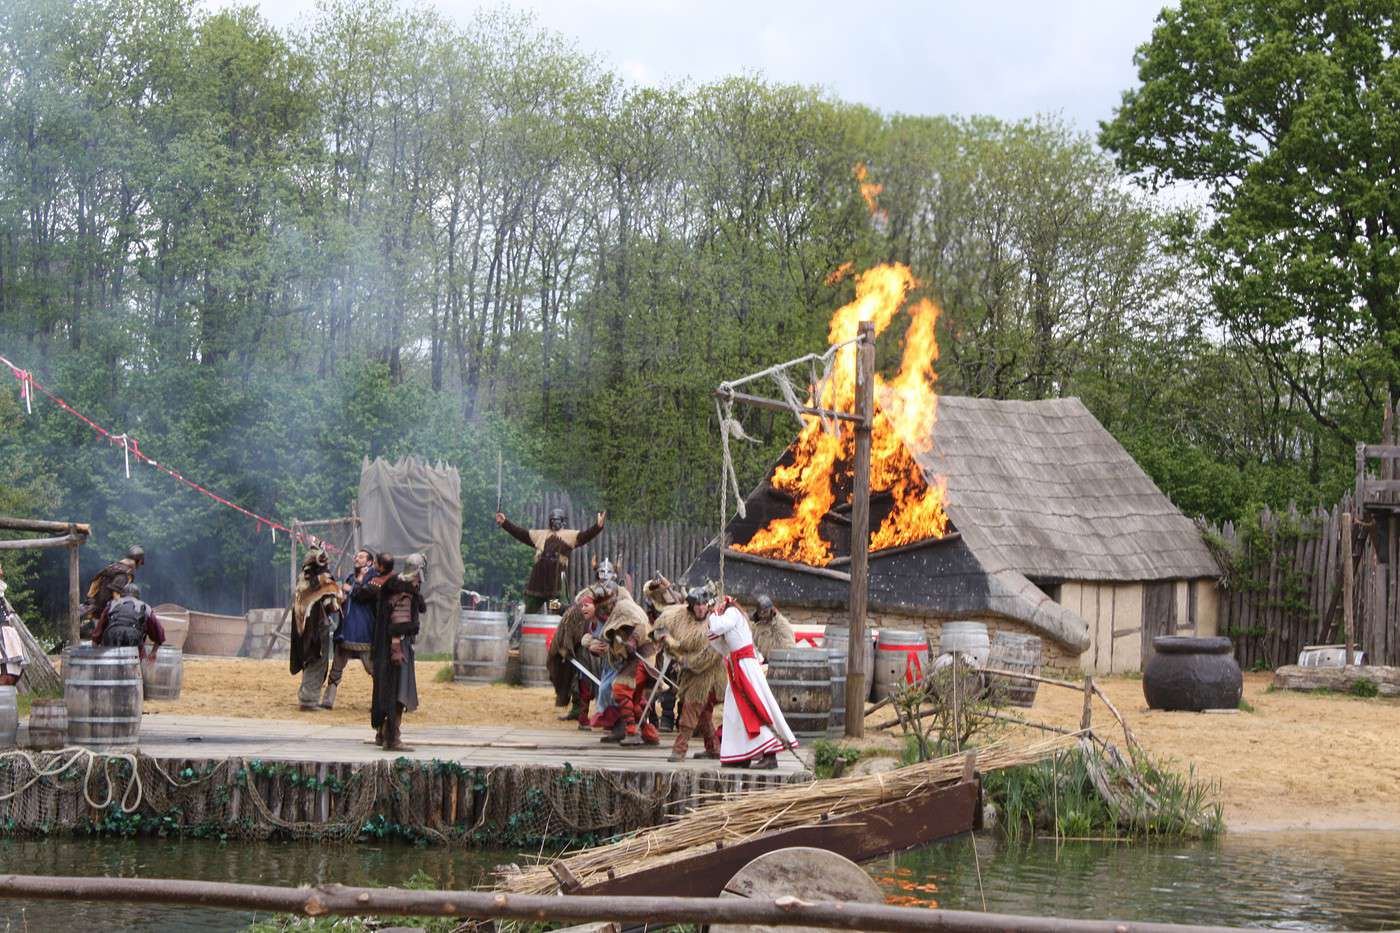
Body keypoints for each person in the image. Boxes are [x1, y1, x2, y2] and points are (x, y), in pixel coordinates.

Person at [686, 587, 797, 770]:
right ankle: (740, 754)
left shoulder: (732, 613)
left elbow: (718, 626)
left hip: (745, 668)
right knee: (734, 714)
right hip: (738, 667)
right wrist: (713, 620)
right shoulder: (729, 617)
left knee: (754, 708)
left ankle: (770, 754)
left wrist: (713, 614)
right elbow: (720, 643)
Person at [581, 581, 660, 747]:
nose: (604, 610)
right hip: (627, 660)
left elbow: (640, 625)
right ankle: (648, 733)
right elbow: (607, 641)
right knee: (634, 700)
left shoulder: (625, 607)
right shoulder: (605, 617)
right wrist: (593, 646)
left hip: (642, 656)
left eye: (605, 606)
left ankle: (631, 731)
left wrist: (633, 640)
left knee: (620, 688)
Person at [364, 552, 425, 751]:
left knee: (387, 691)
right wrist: (397, 650)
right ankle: (393, 737)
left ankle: (382, 733)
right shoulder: (404, 592)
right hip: (396, 648)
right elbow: (398, 624)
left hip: (384, 646)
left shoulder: (395, 586)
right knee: (398, 693)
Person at [652, 599, 724, 762]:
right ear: (691, 606)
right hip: (690, 673)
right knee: (703, 713)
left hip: (709, 673)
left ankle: (680, 749)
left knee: (690, 709)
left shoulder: (716, 622)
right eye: (697, 604)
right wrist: (663, 636)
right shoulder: (681, 616)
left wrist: (685, 660)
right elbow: (661, 624)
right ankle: (713, 748)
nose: (700, 608)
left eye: (703, 604)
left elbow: (709, 656)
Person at [495, 508, 606, 612]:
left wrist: (597, 527)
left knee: (558, 609)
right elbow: (521, 533)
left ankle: (561, 630)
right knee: (529, 610)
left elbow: (585, 535)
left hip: (555, 585)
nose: (554, 522)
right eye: (553, 520)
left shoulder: (570, 536)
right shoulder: (540, 535)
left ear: (562, 521)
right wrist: (505, 523)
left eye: (557, 520)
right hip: (537, 584)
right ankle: (523, 630)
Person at [320, 548, 376, 710]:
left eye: (362, 556)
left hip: (364, 632)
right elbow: (346, 598)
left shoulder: (373, 579)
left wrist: (351, 587)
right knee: (336, 668)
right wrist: (340, 598)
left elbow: (364, 595)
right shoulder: (351, 578)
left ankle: (380, 701)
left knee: (373, 669)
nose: (357, 558)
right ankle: (328, 700)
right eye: (357, 555)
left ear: (370, 562)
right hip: (346, 630)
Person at [290, 547, 343, 711]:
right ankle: (308, 700)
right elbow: (333, 605)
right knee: (316, 660)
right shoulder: (323, 579)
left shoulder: (302, 578)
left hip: (300, 627)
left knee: (308, 659)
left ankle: (306, 696)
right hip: (316, 627)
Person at [79, 545, 144, 635]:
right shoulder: (124, 573)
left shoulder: (114, 567)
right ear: (138, 561)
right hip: (102, 611)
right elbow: (115, 593)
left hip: (97, 607)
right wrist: (122, 611)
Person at [91, 582, 165, 662]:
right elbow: (159, 633)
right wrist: (153, 652)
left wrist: (95, 659)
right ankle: (139, 672)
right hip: (134, 652)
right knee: (140, 658)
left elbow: (97, 634)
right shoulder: (145, 608)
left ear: (122, 595)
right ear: (138, 597)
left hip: (111, 650)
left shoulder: (112, 605)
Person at [749, 594, 796, 661]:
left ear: (771, 610)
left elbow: (790, 648)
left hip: (780, 662)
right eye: (760, 612)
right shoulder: (756, 626)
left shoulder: (781, 624)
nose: (762, 615)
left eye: (765, 612)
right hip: (763, 661)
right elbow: (751, 644)